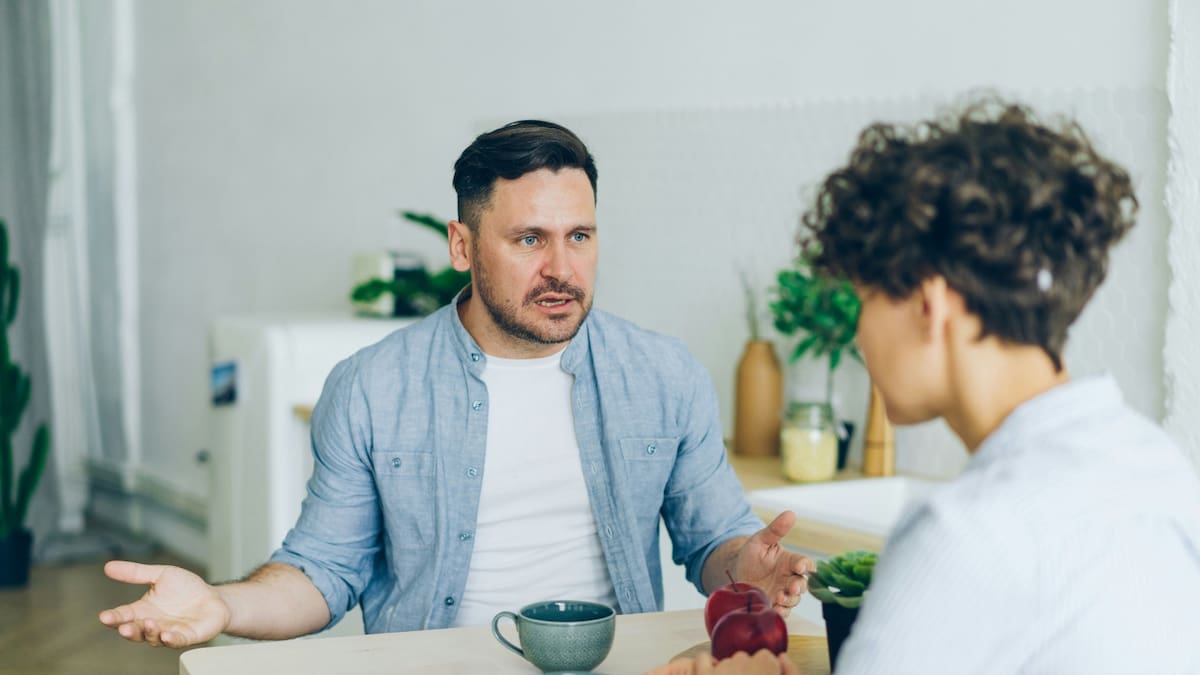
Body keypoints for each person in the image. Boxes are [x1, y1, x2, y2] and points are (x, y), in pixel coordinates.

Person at [99, 120, 814, 648]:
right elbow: (322, 571)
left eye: (581, 236)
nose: (562, 268)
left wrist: (744, 563)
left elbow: (711, 541)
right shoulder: (373, 387)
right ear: (462, 245)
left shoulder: (663, 375)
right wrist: (222, 604)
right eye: (530, 239)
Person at [651, 98, 1200, 674]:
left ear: (928, 305)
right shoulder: (1156, 465)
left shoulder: (965, 535)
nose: (859, 337)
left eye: (864, 300)